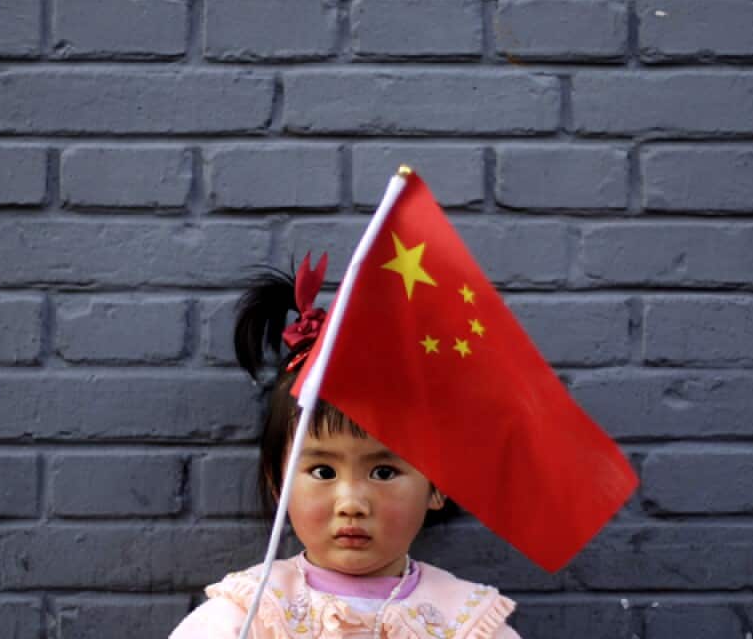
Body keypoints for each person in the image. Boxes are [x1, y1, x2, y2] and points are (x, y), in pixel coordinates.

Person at [170, 258, 521, 638]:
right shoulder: (247, 614)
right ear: (279, 481)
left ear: (437, 484)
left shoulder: (464, 621)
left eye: (383, 472)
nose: (351, 502)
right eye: (323, 471)